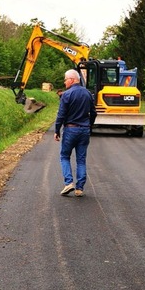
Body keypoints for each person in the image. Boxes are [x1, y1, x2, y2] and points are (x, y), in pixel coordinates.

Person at [54, 69, 96, 197]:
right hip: (84, 130)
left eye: (65, 79)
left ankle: (68, 183)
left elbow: (61, 115)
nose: (64, 82)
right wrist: (90, 125)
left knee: (65, 156)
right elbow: (93, 113)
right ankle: (79, 188)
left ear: (72, 80)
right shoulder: (88, 94)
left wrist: (57, 130)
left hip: (70, 129)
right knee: (81, 160)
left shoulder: (66, 95)